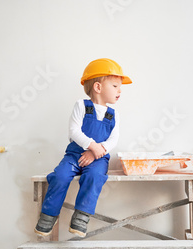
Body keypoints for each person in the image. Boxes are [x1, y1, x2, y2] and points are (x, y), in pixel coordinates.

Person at [34, 58, 132, 237]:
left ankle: (81, 217)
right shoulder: (81, 106)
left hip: (98, 158)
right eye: (116, 86)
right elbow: (74, 131)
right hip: (74, 155)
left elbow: (113, 140)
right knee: (60, 176)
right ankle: (49, 215)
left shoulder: (114, 114)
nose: (120, 91)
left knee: (95, 177)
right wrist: (91, 146)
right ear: (98, 87)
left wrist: (95, 153)